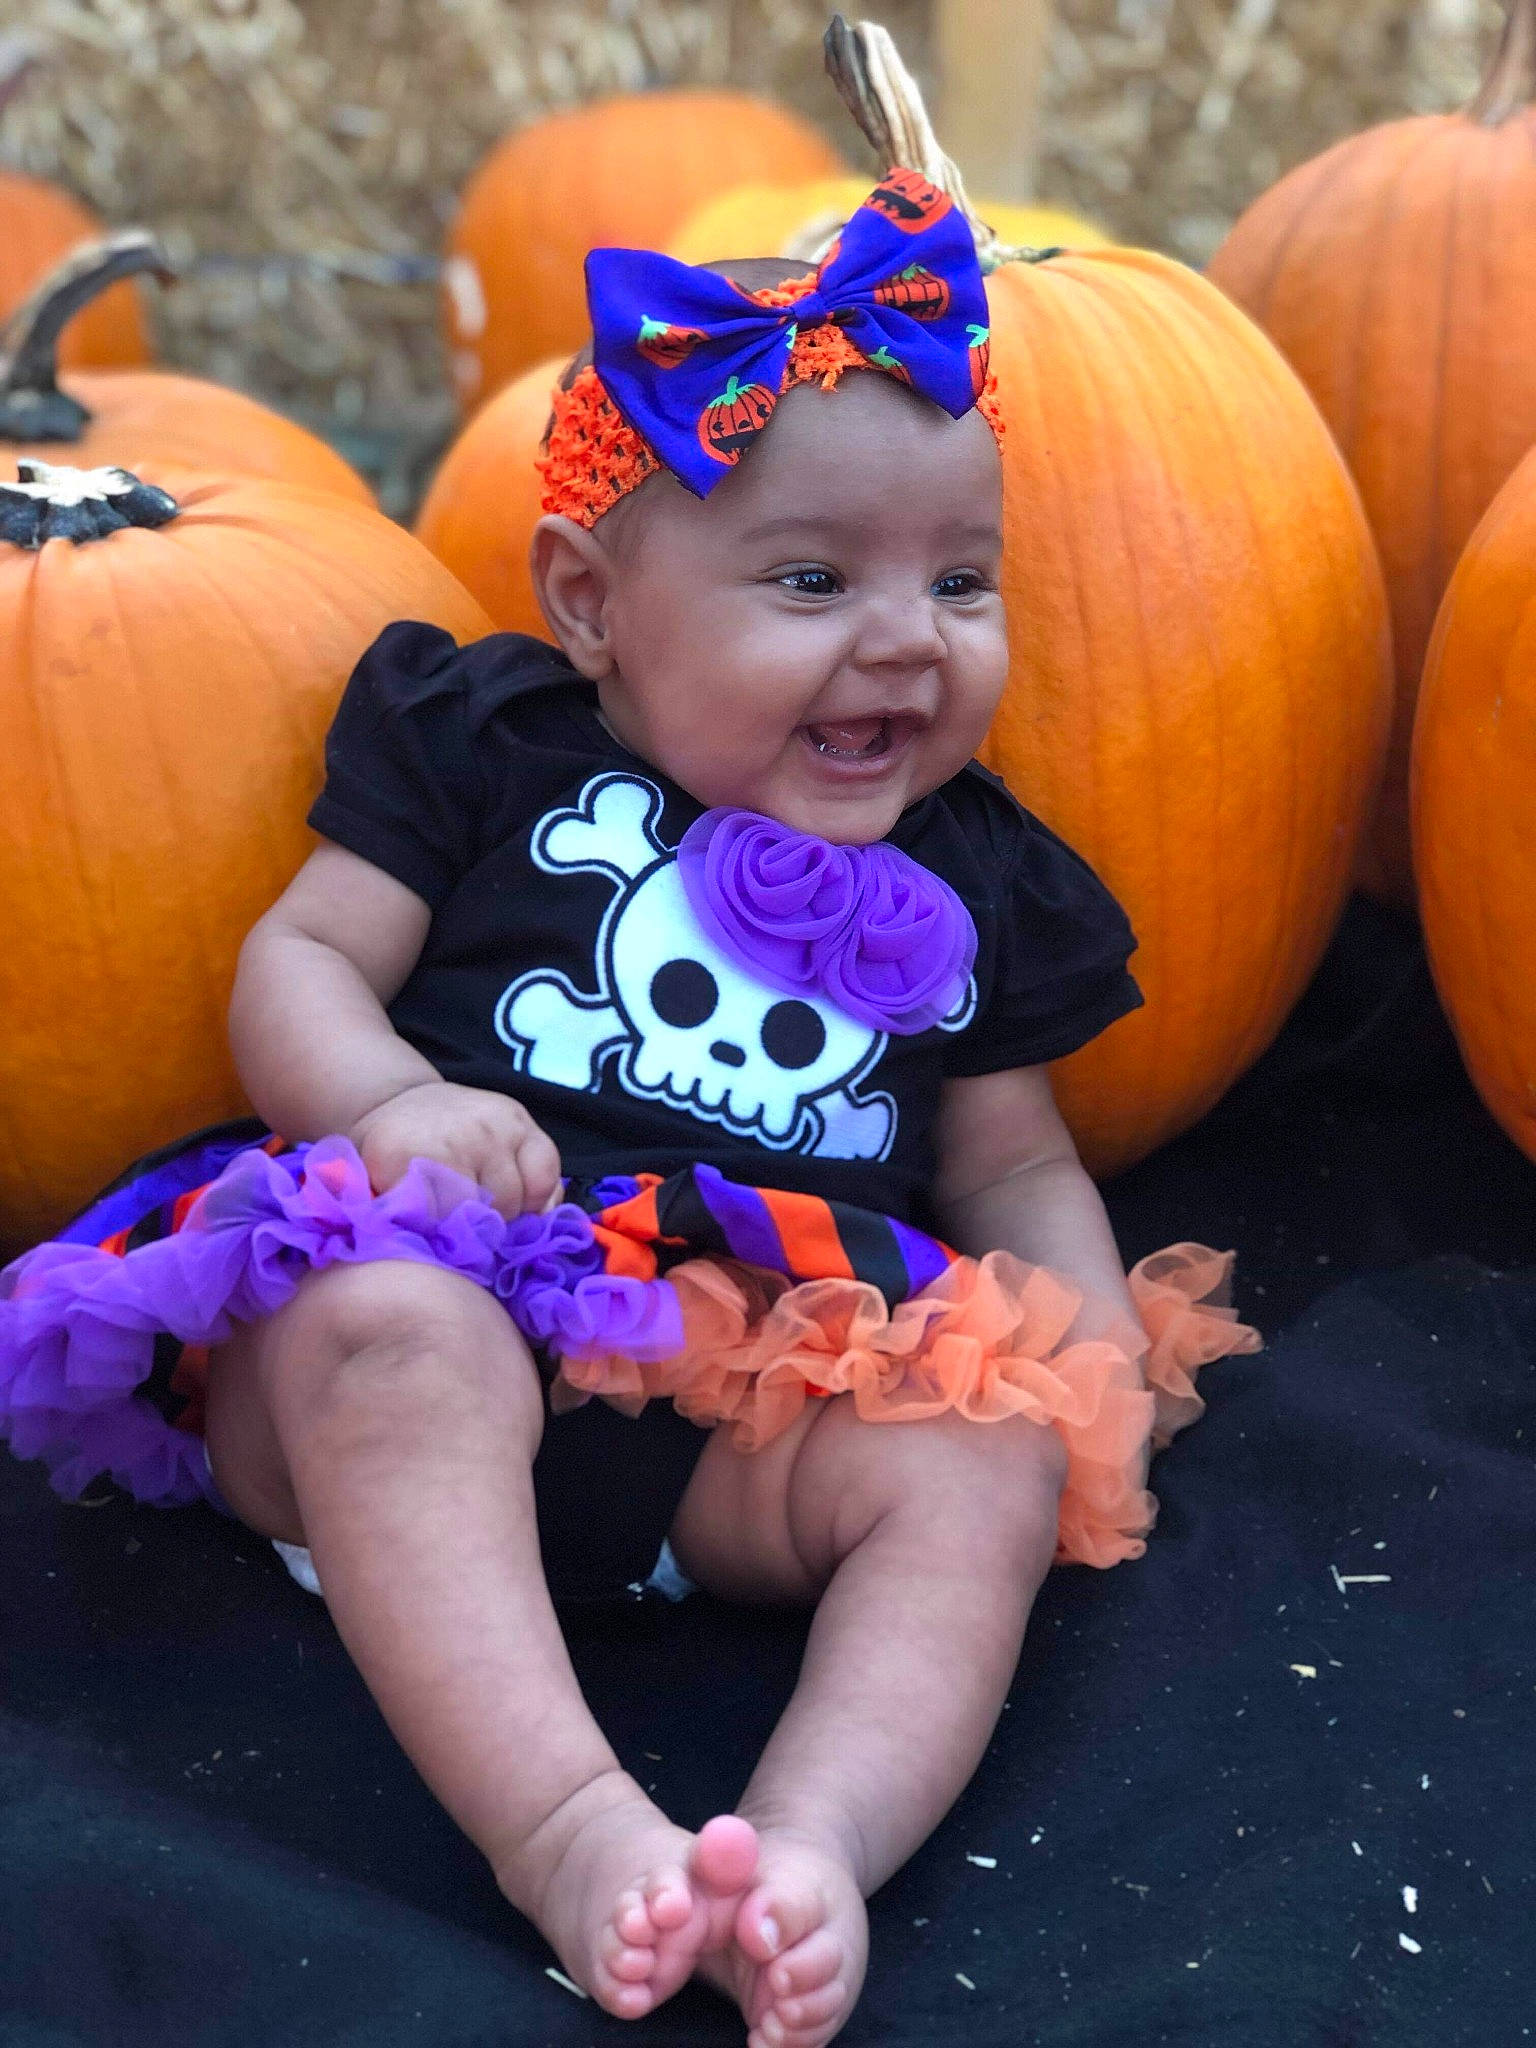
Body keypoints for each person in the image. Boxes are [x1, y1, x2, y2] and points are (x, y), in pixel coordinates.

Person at [0, 174, 1259, 2048]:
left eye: (962, 580)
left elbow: (1014, 1158)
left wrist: (1093, 1380)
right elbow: (298, 961)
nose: (910, 638)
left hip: (737, 1403)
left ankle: (813, 1846)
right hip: (441, 1307)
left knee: (980, 1459)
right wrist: (391, 1105)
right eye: (815, 581)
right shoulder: (488, 745)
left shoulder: (984, 876)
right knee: (382, 1335)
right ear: (591, 601)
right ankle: (573, 1828)